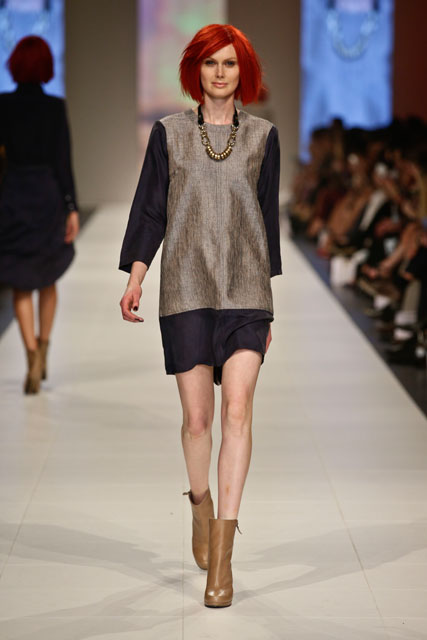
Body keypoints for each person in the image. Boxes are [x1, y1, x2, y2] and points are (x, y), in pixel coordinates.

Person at [118, 23, 282, 608]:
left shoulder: (263, 136)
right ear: (195, 69)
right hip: (186, 288)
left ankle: (223, 558)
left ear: (244, 71)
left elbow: (267, 220)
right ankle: (199, 504)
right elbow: (151, 209)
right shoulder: (169, 134)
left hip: (245, 291)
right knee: (197, 421)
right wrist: (136, 275)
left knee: (238, 410)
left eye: (230, 63)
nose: (220, 73)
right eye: (211, 62)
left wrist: (267, 306)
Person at [0, 36, 79, 394]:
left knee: (21, 281)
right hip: (47, 195)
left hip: (14, 196)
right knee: (47, 278)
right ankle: (42, 352)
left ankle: (31, 356)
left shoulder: (3, 105)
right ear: (46, 66)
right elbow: (63, 161)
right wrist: (71, 207)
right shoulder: (54, 107)